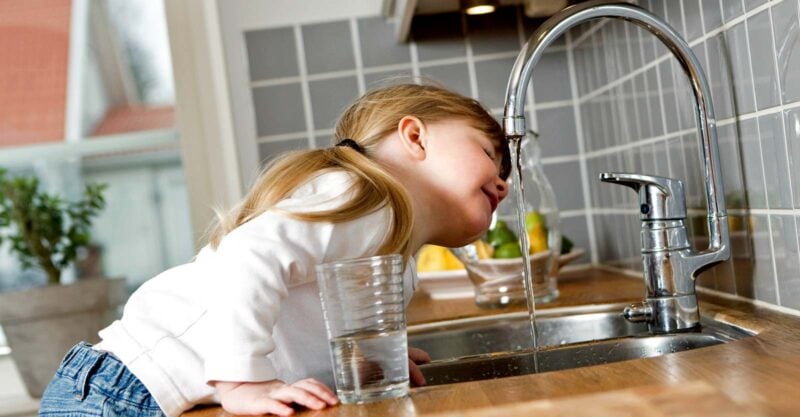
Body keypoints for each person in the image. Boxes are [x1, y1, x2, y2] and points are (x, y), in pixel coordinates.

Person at [38, 82, 511, 417]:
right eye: (491, 154)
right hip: (119, 392)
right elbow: (249, 256)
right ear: (414, 137)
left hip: (133, 390)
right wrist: (242, 381)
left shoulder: (395, 252)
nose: (505, 182)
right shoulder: (367, 198)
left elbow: (303, 320)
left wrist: (368, 358)